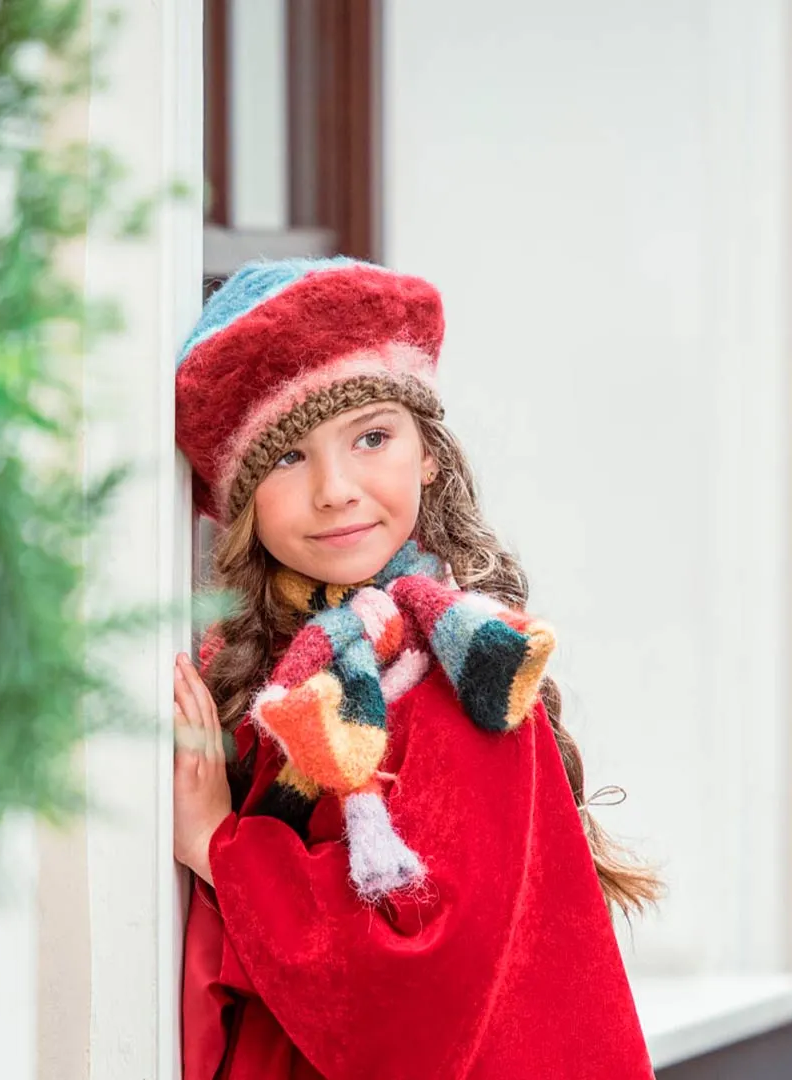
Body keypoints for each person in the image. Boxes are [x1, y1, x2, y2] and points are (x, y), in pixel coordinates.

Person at [172, 257, 660, 1079]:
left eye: (371, 437)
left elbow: (415, 977)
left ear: (428, 455)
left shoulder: (457, 670)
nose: (336, 489)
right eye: (285, 458)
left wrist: (219, 847)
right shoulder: (274, 676)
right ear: (239, 503)